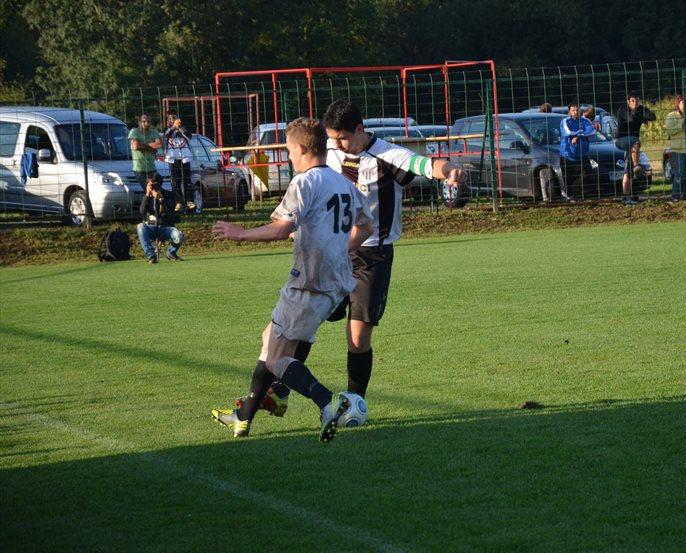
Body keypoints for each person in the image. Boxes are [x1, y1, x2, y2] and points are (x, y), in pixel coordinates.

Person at [236, 100, 463, 421]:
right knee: (301, 326)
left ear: (359, 129)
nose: (336, 145)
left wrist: (449, 171)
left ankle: (354, 404)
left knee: (357, 337)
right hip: (332, 255)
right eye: (331, 138)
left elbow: (426, 165)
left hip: (371, 255)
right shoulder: (327, 151)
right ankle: (280, 392)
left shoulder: (387, 154)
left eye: (342, 138)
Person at [211, 117, 373, 441]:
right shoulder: (343, 183)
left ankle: (328, 402)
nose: (288, 157)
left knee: (276, 358)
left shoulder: (304, 182)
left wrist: (240, 234)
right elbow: (366, 227)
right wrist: (336, 248)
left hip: (307, 282)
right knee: (270, 336)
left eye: (288, 150)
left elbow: (283, 227)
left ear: (300, 149)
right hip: (335, 284)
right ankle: (243, 417)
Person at [614, 92, 656, 204]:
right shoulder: (623, 109)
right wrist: (642, 118)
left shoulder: (641, 108)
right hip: (621, 140)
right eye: (632, 100)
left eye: (637, 100)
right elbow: (630, 119)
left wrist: (642, 114)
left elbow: (652, 117)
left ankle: (626, 196)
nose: (635, 102)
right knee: (636, 143)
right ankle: (637, 166)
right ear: (628, 102)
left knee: (628, 168)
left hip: (633, 142)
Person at [136, 173, 184, 264]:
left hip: (166, 226)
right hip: (151, 225)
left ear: (160, 184)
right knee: (140, 227)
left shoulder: (169, 195)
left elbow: (169, 213)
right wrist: (147, 195)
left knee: (179, 236)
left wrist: (160, 199)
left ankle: (171, 252)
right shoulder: (147, 197)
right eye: (150, 185)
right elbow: (142, 211)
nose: (153, 187)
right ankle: (151, 256)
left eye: (155, 185)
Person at [664, 95, 686, 200]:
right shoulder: (671, 116)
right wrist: (682, 123)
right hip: (679, 150)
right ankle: (675, 196)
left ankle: (685, 196)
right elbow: (669, 131)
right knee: (680, 174)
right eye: (683, 102)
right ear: (678, 104)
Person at [559, 102, 597, 199]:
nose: (576, 112)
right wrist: (581, 133)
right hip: (568, 154)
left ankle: (574, 194)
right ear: (569, 111)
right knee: (569, 178)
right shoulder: (565, 121)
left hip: (582, 154)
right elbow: (567, 132)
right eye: (573, 110)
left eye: (577, 110)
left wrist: (578, 136)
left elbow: (591, 131)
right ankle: (569, 196)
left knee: (586, 175)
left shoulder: (585, 121)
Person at [163, 113, 195, 212]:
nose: (174, 120)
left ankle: (189, 200)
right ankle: (178, 201)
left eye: (175, 118)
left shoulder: (183, 128)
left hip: (185, 157)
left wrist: (179, 128)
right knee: (175, 181)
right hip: (172, 158)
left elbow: (189, 137)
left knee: (186, 180)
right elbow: (166, 135)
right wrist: (173, 127)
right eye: (171, 119)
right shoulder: (167, 130)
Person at [128, 114, 161, 190]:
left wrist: (142, 145)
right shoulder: (134, 131)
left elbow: (159, 144)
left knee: (155, 190)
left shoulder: (154, 132)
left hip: (152, 168)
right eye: (144, 121)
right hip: (140, 169)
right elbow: (135, 146)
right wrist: (151, 148)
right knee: (148, 190)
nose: (146, 123)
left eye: (148, 121)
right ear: (139, 122)